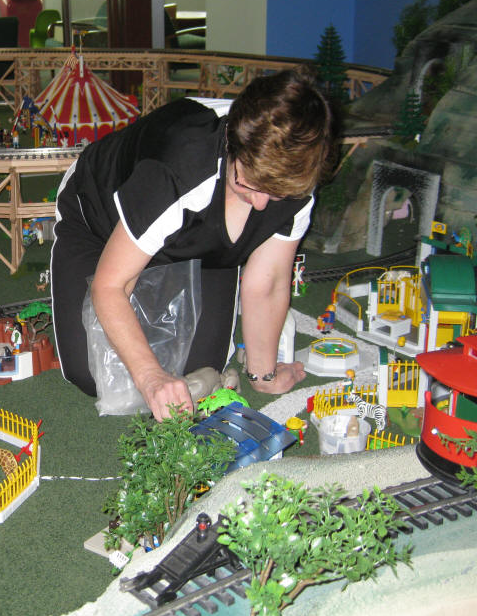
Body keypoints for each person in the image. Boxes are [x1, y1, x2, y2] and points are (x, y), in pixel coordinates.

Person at [50, 69, 334, 421]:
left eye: (275, 194)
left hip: (196, 244)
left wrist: (264, 375)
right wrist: (151, 377)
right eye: (248, 184)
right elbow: (111, 286)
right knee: (95, 375)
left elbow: (269, 281)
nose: (261, 204)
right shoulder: (178, 169)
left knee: (201, 370)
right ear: (231, 145)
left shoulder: (295, 178)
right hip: (99, 220)